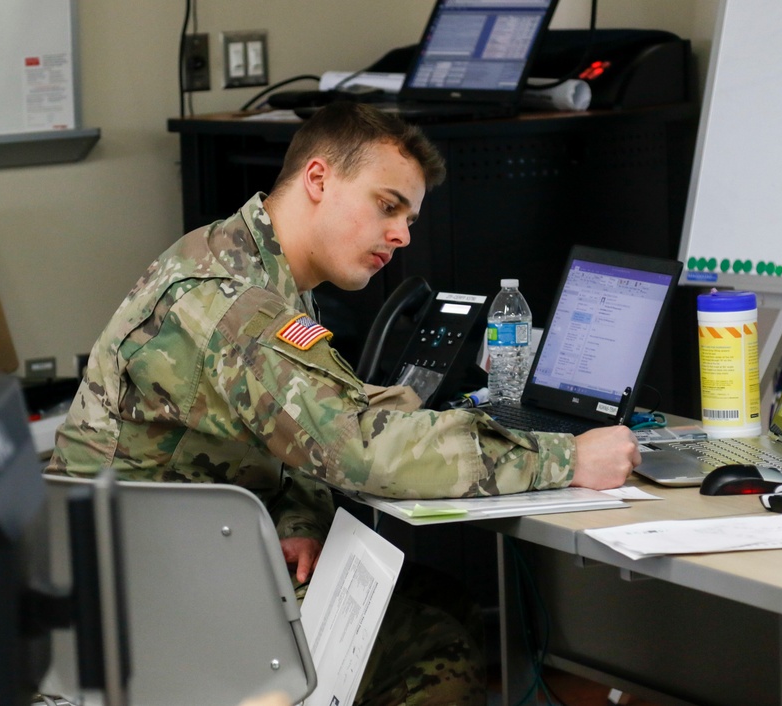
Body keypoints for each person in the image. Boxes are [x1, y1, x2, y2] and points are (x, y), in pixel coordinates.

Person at [48, 101, 641, 705]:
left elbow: (285, 441)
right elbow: (358, 451)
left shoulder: (257, 268)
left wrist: (298, 521)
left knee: (447, 601)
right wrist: (567, 459)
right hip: (142, 598)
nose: (402, 235)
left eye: (409, 216)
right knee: (436, 644)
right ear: (318, 179)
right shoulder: (236, 306)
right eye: (388, 205)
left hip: (159, 565)